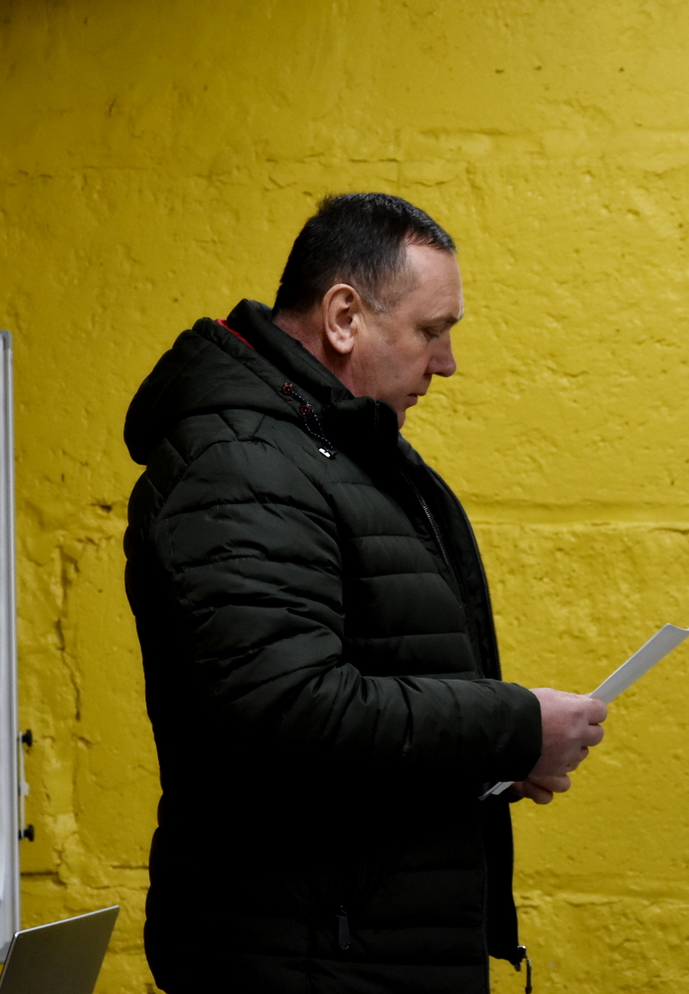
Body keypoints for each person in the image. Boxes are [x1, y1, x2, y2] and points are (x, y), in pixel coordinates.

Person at [123, 193, 608, 993]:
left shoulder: (330, 452)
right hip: (308, 963)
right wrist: (512, 725)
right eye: (431, 330)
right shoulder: (241, 464)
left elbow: (365, 692)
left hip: (356, 951)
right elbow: (290, 711)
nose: (446, 363)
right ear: (343, 317)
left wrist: (485, 760)